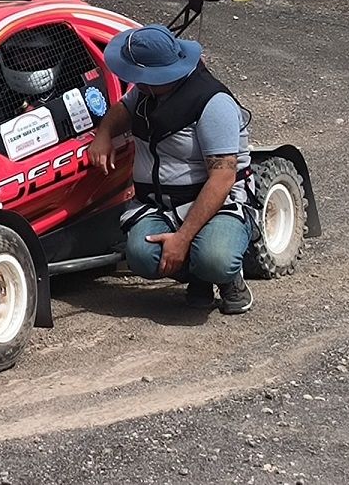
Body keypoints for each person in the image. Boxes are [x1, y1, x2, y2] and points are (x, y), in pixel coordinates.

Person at [90, 25, 254, 315]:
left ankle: (226, 276)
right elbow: (122, 111)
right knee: (140, 256)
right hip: (158, 205)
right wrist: (104, 134)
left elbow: (222, 178)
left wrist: (182, 239)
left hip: (215, 204)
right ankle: (198, 276)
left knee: (215, 258)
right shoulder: (146, 93)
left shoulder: (213, 104)